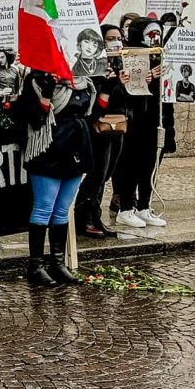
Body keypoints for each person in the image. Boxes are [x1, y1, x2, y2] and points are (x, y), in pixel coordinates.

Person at [15, 71, 91, 286]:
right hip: (48, 148)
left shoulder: (83, 80)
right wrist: (47, 92)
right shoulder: (35, 81)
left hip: (76, 148)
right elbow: (34, 117)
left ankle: (57, 263)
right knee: (44, 206)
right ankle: (36, 266)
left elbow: (91, 110)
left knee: (62, 208)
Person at [113, 20, 168, 229]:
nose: (153, 38)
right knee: (130, 164)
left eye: (157, 34)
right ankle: (126, 207)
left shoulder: (159, 54)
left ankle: (144, 206)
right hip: (134, 118)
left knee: (149, 163)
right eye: (150, 33)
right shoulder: (126, 55)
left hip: (153, 119)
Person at [77, 24, 130, 238]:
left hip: (117, 124)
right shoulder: (94, 67)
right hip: (97, 126)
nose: (115, 41)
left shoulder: (120, 64)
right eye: (110, 38)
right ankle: (83, 217)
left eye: (118, 37)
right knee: (96, 173)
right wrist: (111, 84)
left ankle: (95, 215)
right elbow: (95, 104)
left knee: (106, 174)